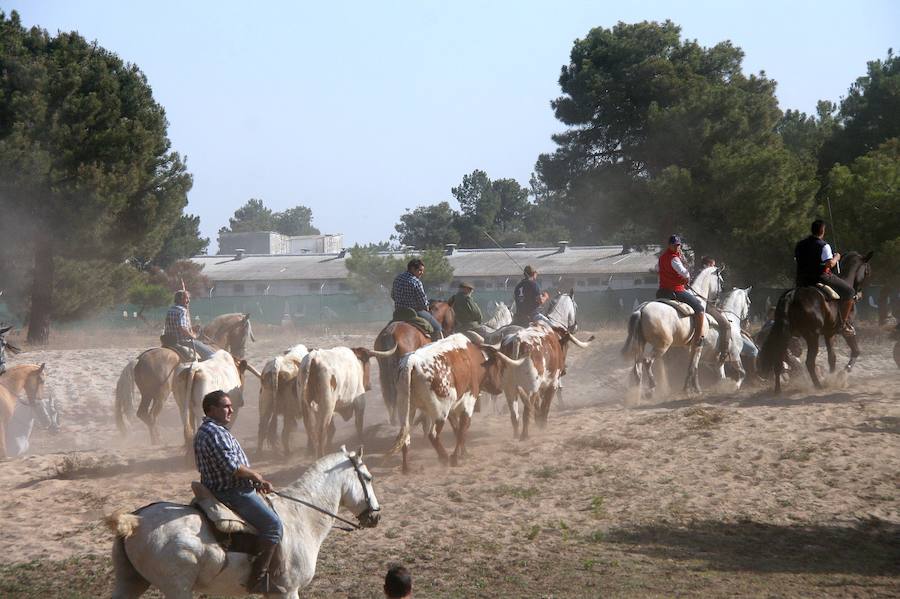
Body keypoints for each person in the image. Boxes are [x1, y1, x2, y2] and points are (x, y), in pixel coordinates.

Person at [194, 390, 286, 593]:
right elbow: (232, 467)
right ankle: (258, 579)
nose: (231, 410)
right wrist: (257, 477)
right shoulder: (215, 432)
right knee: (273, 526)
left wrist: (252, 480)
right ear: (211, 409)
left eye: (230, 406)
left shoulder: (209, 430)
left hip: (226, 487)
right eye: (226, 406)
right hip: (232, 492)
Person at [794, 219, 856, 333]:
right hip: (820, 277)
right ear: (822, 231)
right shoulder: (824, 246)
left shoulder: (800, 244)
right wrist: (837, 257)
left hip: (802, 279)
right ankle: (843, 324)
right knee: (850, 292)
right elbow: (830, 264)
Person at [657, 235, 705, 346]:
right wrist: (686, 279)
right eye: (674, 245)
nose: (677, 247)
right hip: (676, 290)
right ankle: (698, 338)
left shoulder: (662, 257)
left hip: (662, 290)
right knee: (700, 309)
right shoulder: (674, 258)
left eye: (678, 245)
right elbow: (685, 273)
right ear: (669, 245)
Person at [391, 259, 443, 340]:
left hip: (398, 312)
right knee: (437, 327)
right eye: (420, 270)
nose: (422, 273)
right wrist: (427, 307)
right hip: (414, 313)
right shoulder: (416, 282)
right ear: (412, 269)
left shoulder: (397, 278)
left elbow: (393, 295)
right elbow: (423, 302)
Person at [164, 290, 215, 359]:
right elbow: (182, 328)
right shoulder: (182, 310)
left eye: (189, 298)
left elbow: (174, 326)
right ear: (180, 299)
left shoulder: (171, 309)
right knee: (211, 355)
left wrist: (192, 328)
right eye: (186, 298)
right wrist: (193, 336)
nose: (189, 301)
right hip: (183, 341)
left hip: (169, 340)